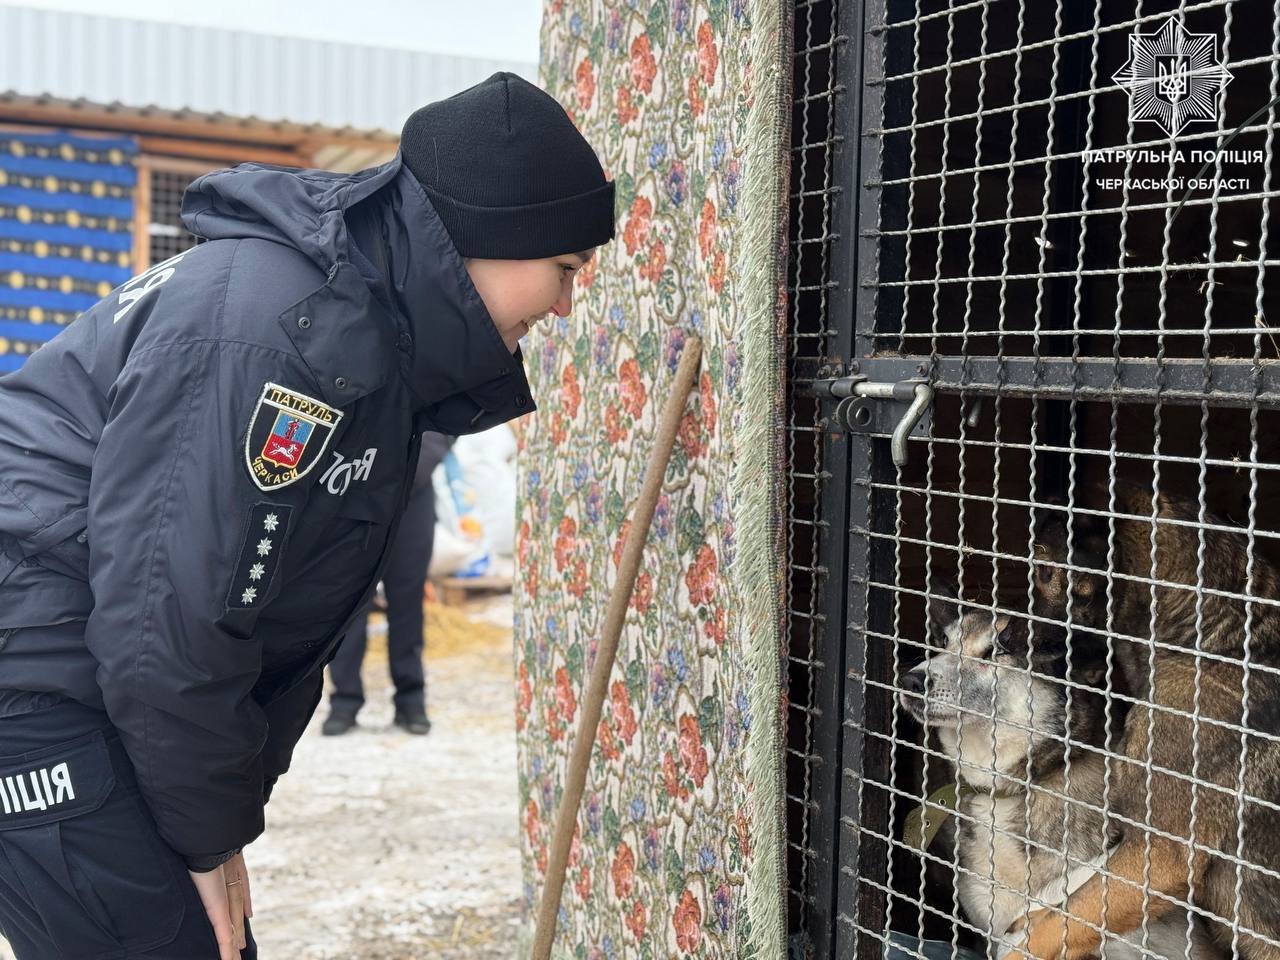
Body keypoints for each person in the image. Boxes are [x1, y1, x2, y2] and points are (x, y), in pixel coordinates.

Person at [0, 72, 612, 959]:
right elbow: (167, 616)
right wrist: (207, 837)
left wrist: (216, 818)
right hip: (38, 671)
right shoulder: (281, 331)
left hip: (83, 665)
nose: (565, 305)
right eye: (564, 269)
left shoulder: (362, 325)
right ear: (487, 237)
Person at [323, 433, 453, 737]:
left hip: (413, 493)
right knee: (349, 605)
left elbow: (445, 426)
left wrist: (407, 471)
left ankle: (411, 700)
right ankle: (344, 701)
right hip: (354, 495)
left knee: (407, 602)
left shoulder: (426, 382)